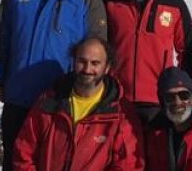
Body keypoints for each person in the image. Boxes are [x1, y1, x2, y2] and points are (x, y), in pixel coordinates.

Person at [0, 0, 107, 171]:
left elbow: (97, 47)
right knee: (15, 161)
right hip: (19, 96)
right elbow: (0, 39)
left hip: (61, 102)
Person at [12, 38, 144, 171]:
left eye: (95, 63)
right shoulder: (49, 102)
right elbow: (24, 151)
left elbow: (127, 165)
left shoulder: (120, 114)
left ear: (107, 68)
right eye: (82, 61)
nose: (87, 69)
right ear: (74, 62)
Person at [105, 0, 192, 122]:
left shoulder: (174, 5)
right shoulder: (112, 2)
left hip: (160, 99)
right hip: (118, 98)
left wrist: (181, 88)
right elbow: (101, 47)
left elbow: (187, 51)